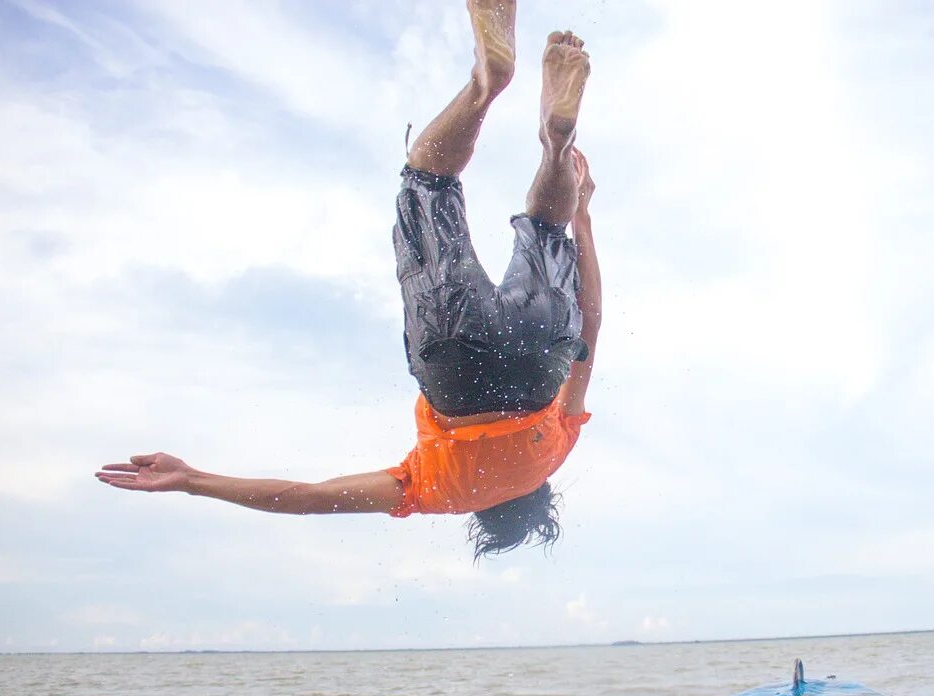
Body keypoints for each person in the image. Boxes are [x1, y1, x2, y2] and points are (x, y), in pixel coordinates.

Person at [95, 0, 602, 559]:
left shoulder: (555, 452)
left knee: (547, 227)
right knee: (426, 180)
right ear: (484, 511)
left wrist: (582, 216)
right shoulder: (435, 492)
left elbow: (592, 325)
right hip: (453, 360)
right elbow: (306, 498)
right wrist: (193, 478)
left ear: (537, 498)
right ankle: (486, 82)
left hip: (541, 353)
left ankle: (555, 145)